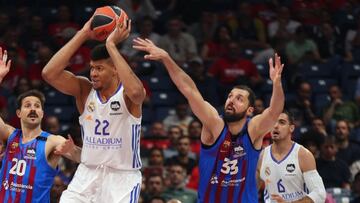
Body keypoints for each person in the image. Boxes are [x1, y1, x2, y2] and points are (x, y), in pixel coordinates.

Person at [133, 38, 285, 202]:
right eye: (230, 96)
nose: (231, 100)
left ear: (249, 110)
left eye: (239, 99)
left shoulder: (253, 129)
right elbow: (189, 90)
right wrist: (166, 58)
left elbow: (274, 112)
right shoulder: (215, 124)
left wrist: (277, 84)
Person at [42, 15, 146, 202]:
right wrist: (83, 34)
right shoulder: (84, 89)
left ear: (115, 69)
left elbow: (138, 94)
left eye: (99, 68)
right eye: (92, 68)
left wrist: (111, 46)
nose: (93, 73)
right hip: (87, 174)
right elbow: (49, 74)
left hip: (121, 178)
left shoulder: (127, 94)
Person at [0, 48, 80, 202]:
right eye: (28, 105)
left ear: (42, 113)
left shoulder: (52, 141)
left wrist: (73, 151)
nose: (32, 109)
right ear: (18, 113)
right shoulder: (10, 134)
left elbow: (83, 158)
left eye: (37, 106)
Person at [257, 111, 326, 203]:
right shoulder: (261, 156)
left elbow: (319, 193)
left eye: (281, 122)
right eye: (273, 122)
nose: (275, 126)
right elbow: (251, 190)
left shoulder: (303, 155)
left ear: (291, 128)